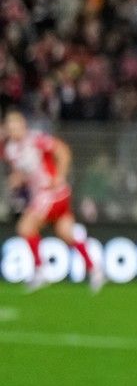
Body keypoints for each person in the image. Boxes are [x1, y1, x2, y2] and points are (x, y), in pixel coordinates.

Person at [4, 110, 103, 293]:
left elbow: (63, 151)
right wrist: (17, 179)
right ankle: (95, 269)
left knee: (25, 227)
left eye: (15, 126)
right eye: (9, 127)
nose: (13, 130)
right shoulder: (11, 151)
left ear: (23, 125)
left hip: (52, 193)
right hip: (42, 195)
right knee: (66, 233)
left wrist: (60, 175)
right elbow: (26, 173)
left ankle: (40, 270)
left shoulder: (36, 140)